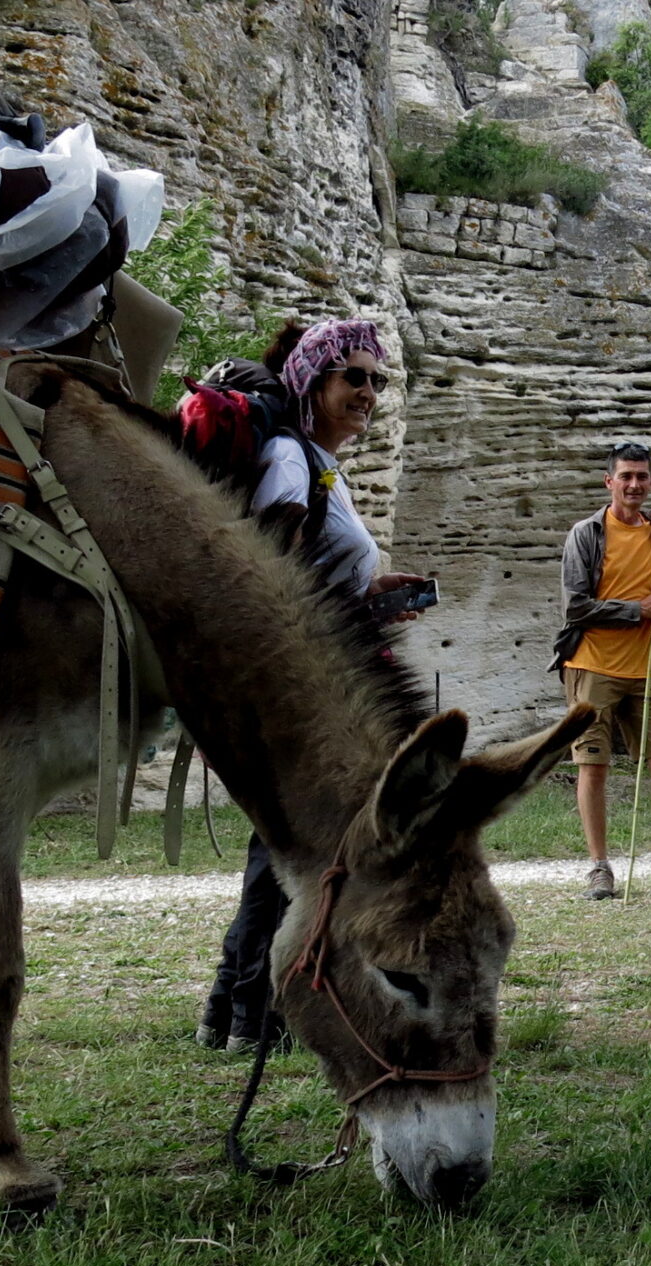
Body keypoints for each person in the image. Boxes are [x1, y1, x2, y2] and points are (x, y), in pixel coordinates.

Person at [197, 318, 429, 1054]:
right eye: (352, 377)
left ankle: (232, 1009)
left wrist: (373, 589)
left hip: (311, 681)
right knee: (295, 848)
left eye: (377, 379)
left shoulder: (322, 467)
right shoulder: (291, 461)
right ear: (312, 382)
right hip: (297, 688)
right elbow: (269, 571)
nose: (368, 391)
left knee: (285, 847)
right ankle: (251, 1011)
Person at [551, 443, 651, 902]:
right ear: (610, 482)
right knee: (593, 766)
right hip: (591, 666)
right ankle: (599, 868)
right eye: (626, 476)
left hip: (647, 668)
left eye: (642, 476)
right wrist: (634, 610)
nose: (634, 485)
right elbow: (574, 605)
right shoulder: (587, 533)